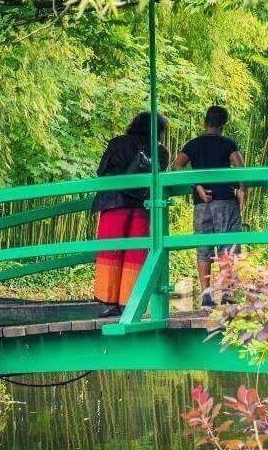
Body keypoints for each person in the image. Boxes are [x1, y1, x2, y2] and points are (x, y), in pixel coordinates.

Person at [92, 112, 169, 317]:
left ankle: (108, 303)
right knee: (135, 255)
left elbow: (102, 173)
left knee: (111, 252)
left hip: (114, 202)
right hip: (142, 205)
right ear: (159, 131)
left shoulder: (118, 143)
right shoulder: (161, 152)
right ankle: (130, 303)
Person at [171, 105, 245, 307]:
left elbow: (176, 165)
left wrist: (197, 185)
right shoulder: (228, 143)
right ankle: (226, 294)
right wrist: (242, 190)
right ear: (223, 125)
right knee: (227, 246)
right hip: (225, 201)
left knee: (204, 246)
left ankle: (206, 294)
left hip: (201, 204)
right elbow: (241, 168)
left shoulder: (193, 144)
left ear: (205, 122)